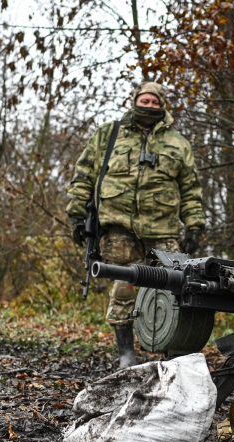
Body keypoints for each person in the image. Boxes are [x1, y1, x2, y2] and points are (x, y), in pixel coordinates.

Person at [66, 81, 206, 368]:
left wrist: (194, 226)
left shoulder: (178, 143)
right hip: (119, 229)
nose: (149, 106)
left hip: (164, 230)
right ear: (135, 100)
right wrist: (77, 215)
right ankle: (126, 354)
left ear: (162, 105)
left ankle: (172, 353)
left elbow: (191, 189)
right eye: (145, 100)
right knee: (125, 286)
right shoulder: (108, 134)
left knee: (176, 287)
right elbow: (84, 176)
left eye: (155, 102)